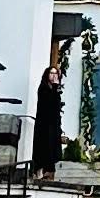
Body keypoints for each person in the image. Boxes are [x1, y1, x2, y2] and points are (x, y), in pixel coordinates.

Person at [29, 29, 71, 179]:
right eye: (51, 73)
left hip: (53, 124)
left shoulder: (55, 90)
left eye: (56, 73)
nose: (54, 76)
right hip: (44, 124)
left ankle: (45, 171)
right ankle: (38, 170)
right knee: (42, 148)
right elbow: (47, 105)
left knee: (51, 149)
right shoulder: (45, 89)